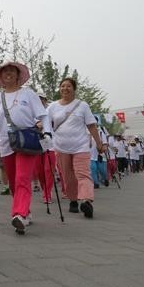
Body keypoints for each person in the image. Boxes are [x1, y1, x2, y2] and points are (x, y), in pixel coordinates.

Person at [0, 62, 47, 235]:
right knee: (14, 181)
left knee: (23, 177)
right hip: (6, 143)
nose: (8, 73)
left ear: (18, 75)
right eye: (4, 71)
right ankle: (26, 211)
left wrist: (48, 133)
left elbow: (43, 115)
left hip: (26, 140)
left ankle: (19, 214)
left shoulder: (28, 94)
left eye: (11, 71)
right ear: (0, 77)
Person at [46, 77, 106, 218]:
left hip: (80, 147)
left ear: (74, 89)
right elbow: (44, 121)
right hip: (60, 147)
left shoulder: (82, 105)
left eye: (68, 86)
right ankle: (73, 200)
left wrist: (99, 143)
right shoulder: (53, 107)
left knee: (83, 174)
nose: (65, 88)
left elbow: (91, 125)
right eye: (62, 86)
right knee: (68, 177)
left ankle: (86, 200)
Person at [36, 93, 57, 205]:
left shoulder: (50, 110)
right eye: (37, 99)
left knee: (48, 169)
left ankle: (47, 194)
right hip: (35, 142)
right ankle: (45, 189)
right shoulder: (31, 111)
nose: (39, 101)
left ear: (45, 100)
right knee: (39, 171)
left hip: (47, 141)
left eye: (41, 99)